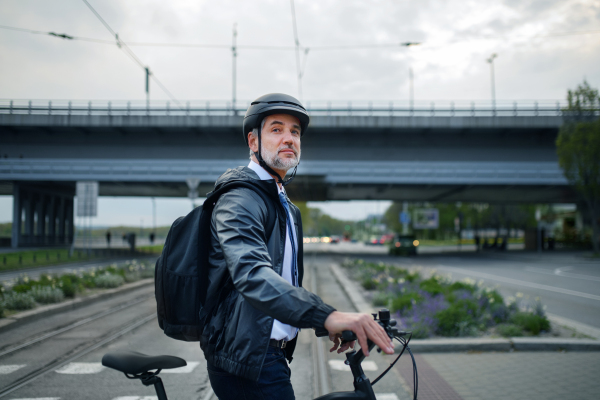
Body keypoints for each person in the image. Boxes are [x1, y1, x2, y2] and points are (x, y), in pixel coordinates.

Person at [201, 94, 394, 400]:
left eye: (295, 132)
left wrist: (325, 324)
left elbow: (285, 283)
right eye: (276, 130)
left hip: (272, 355)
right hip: (247, 361)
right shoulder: (240, 200)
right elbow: (252, 274)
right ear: (253, 142)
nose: (288, 138)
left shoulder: (286, 207)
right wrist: (325, 315)